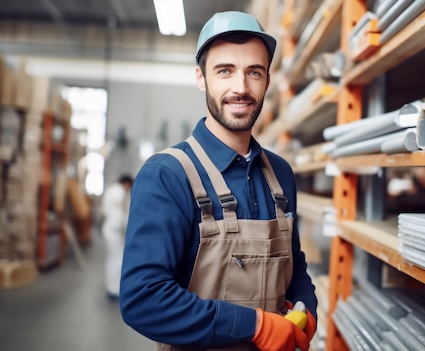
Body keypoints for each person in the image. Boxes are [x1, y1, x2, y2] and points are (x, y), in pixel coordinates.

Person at [120, 11, 317, 351]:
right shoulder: (168, 175)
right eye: (224, 71)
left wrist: (306, 307)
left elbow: (295, 267)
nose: (240, 88)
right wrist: (253, 326)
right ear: (201, 78)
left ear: (267, 80)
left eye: (254, 72)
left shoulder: (281, 174)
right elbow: (143, 299)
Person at [101, 174, 133, 299]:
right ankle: (114, 290)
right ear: (127, 184)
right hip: (114, 231)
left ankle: (112, 287)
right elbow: (121, 215)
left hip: (111, 229)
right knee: (117, 260)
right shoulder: (119, 192)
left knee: (113, 259)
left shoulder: (112, 190)